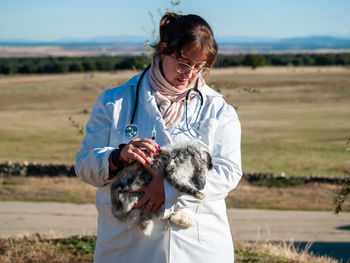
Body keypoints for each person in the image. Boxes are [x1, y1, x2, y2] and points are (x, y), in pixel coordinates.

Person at [75, 12, 242, 263]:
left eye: (200, 67)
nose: (190, 74)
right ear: (164, 50)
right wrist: (117, 157)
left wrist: (167, 189)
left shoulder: (218, 109)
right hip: (128, 247)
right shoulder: (115, 102)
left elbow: (228, 172)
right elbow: (84, 165)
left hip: (197, 247)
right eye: (184, 63)